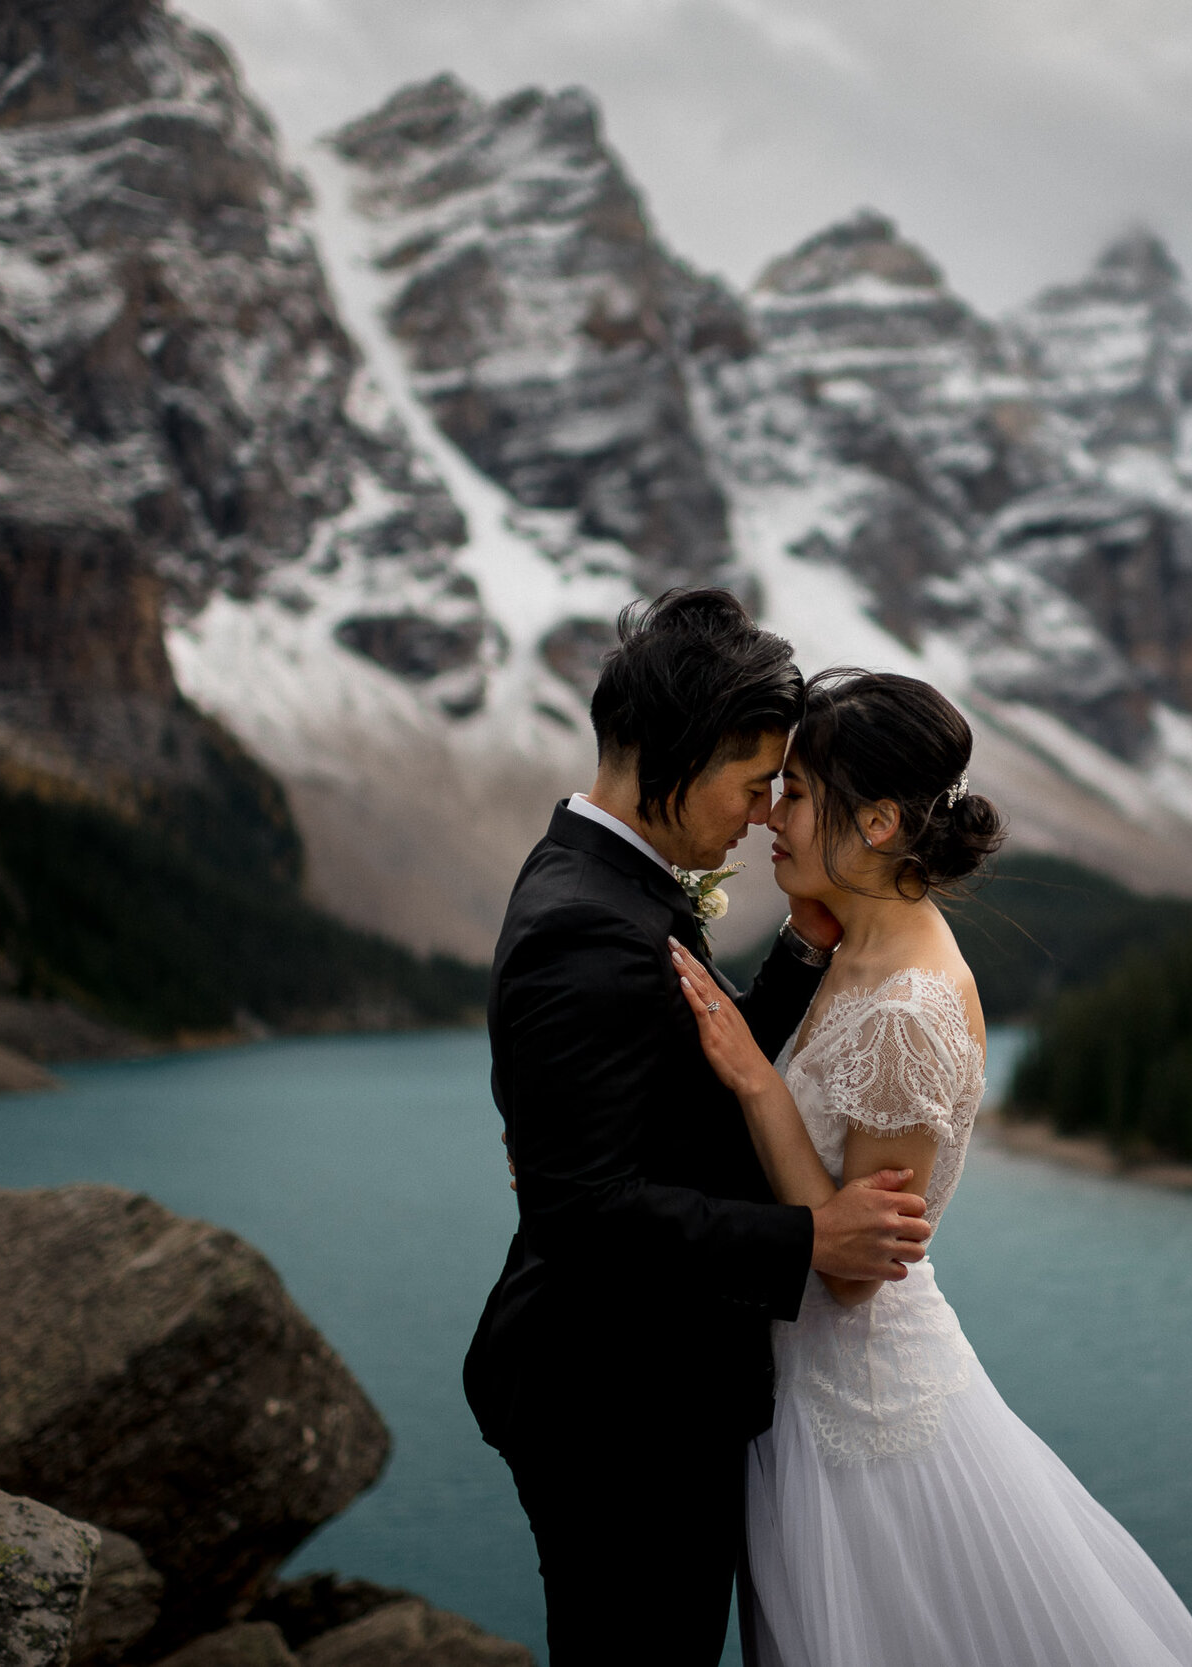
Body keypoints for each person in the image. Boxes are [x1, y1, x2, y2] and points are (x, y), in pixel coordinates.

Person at [669, 668, 1192, 1667]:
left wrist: (758, 1083)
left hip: (864, 1418)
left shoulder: (909, 1011)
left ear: (877, 822)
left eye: (795, 792)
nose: (770, 816)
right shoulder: (850, 950)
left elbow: (847, 1260)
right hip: (804, 1396)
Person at [464, 590, 939, 1667]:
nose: (766, 809)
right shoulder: (585, 928)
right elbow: (580, 1213)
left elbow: (685, 1071)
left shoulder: (605, 883)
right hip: (616, 1406)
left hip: (636, 1381)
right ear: (675, 754)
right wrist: (810, 1241)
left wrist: (801, 957)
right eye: (754, 779)